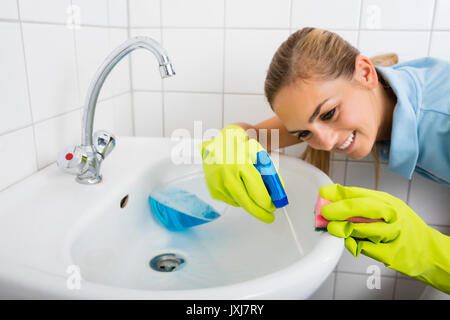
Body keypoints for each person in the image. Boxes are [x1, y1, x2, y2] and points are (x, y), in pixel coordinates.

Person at [198, 27, 449, 294]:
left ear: (366, 72)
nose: (327, 143)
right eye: (304, 133)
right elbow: (253, 137)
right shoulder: (365, 92)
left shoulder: (443, 122)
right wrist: (225, 145)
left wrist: (425, 250)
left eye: (329, 113)